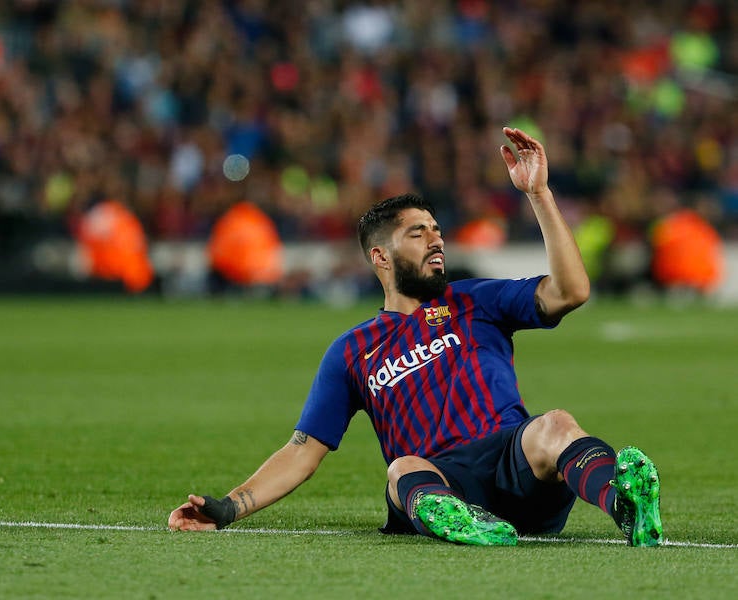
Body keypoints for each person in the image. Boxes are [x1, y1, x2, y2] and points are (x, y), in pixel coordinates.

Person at [168, 128, 664, 547]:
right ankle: (461, 521)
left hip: (515, 466)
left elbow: (572, 290)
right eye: (418, 233)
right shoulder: (351, 352)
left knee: (555, 424)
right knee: (402, 467)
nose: (437, 238)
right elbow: (303, 450)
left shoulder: (475, 300)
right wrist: (229, 508)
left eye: (436, 229)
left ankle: (625, 506)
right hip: (440, 478)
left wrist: (538, 194)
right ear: (381, 257)